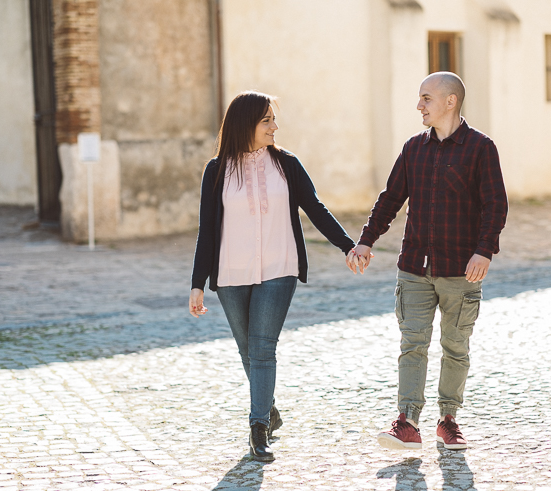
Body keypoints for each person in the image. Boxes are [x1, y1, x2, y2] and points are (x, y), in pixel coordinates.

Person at [189, 91, 357, 462]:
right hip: (232, 272)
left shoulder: (287, 165)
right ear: (245, 124)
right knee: (248, 349)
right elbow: (208, 229)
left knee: (263, 348)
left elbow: (315, 208)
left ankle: (257, 427)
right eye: (267, 121)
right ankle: (269, 409)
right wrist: (197, 283)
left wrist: (348, 245)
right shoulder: (216, 170)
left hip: (280, 268)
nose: (274, 127)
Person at [351, 72, 508, 450]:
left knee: (456, 346)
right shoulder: (412, 148)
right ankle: (407, 422)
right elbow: (391, 199)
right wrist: (366, 240)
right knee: (413, 343)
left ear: (450, 102)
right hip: (414, 267)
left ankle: (449, 420)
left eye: (426, 98)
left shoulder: (480, 148)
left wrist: (484, 249)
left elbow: (495, 204)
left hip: (461, 270)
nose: (419, 105)